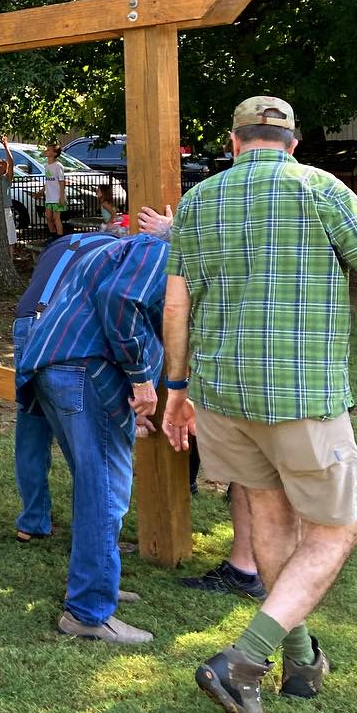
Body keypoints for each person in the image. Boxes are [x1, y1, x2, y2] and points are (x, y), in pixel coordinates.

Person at [161, 96, 357, 713]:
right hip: (304, 401)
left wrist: (175, 388)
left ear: (235, 142)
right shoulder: (323, 190)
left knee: (269, 516)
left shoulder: (201, 200)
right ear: (291, 142)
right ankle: (244, 661)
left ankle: (302, 657)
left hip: (221, 398)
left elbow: (175, 306)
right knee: (333, 532)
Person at [18, 232, 166, 644]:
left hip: (57, 367)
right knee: (105, 492)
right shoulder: (161, 249)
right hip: (85, 370)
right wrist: (140, 380)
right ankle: (87, 611)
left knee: (94, 485)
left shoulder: (119, 250)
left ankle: (96, 581)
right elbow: (120, 300)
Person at [137, 205, 265, 602]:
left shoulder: (283, 205)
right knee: (258, 471)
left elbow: (235, 254)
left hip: (252, 364)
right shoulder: (316, 198)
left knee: (257, 472)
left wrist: (173, 230)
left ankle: (250, 569)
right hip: (276, 366)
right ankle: (256, 566)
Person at [10, 230, 120, 544]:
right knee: (86, 440)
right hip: (64, 331)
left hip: (26, 323)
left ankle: (32, 521)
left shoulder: (58, 247)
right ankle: (96, 534)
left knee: (31, 421)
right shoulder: (116, 250)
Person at [41, 142, 66, 237]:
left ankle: (59, 238)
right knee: (48, 217)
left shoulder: (58, 166)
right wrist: (41, 191)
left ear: (55, 154)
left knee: (56, 218)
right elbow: (48, 182)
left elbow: (62, 181)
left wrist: (62, 197)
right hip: (49, 197)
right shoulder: (46, 166)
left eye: (49, 150)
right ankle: (53, 236)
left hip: (57, 197)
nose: (46, 151)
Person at [0, 136, 18, 256]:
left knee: (10, 236)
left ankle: (10, 259)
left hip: (5, 210)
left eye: (1, 164)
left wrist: (6, 146)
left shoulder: (6, 179)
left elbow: (11, 162)